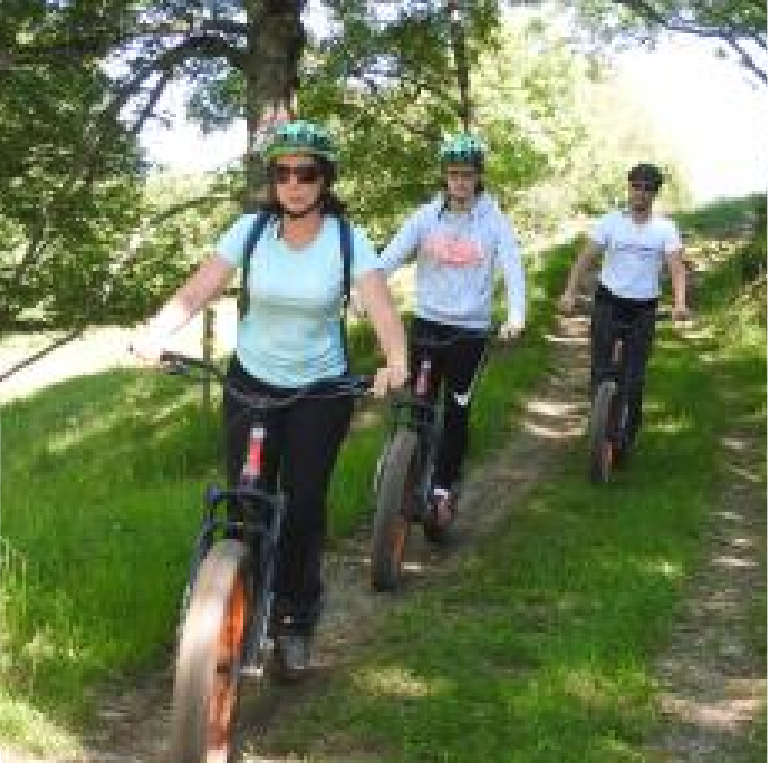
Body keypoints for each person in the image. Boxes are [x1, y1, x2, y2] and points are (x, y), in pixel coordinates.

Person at [134, 120, 408, 679]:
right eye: (284, 173)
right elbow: (197, 289)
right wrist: (155, 331)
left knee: (303, 504)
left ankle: (294, 615)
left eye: (306, 173)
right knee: (245, 499)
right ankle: (235, 597)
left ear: (324, 180)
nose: (294, 184)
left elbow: (380, 306)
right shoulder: (251, 230)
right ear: (273, 180)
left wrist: (396, 360)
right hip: (251, 382)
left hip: (320, 389)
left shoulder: (348, 240)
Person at [376, 132, 526, 532]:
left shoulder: (493, 220)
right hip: (427, 323)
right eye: (453, 174)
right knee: (419, 404)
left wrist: (516, 315)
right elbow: (391, 255)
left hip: (470, 332)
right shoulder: (425, 217)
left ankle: (443, 485)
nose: (460, 182)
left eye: (468, 174)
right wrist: (365, 290)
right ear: (444, 177)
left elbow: (512, 266)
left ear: (479, 177)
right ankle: (407, 473)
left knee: (456, 411)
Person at [558, 162, 690, 463]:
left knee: (633, 380)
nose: (641, 193)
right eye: (636, 187)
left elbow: (676, 268)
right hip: (609, 301)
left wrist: (680, 303)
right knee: (600, 370)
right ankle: (599, 428)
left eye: (648, 189)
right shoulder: (610, 222)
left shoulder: (664, 228)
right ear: (629, 188)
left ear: (655, 194)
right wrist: (570, 291)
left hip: (644, 307)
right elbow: (585, 258)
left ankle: (625, 437)